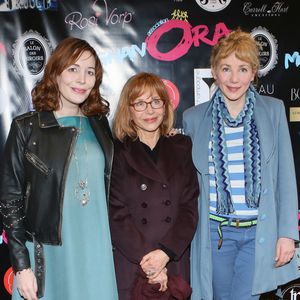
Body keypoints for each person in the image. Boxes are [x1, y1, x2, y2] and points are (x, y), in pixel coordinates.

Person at [183, 29, 299, 300]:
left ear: (254, 72)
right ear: (214, 70)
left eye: (243, 69)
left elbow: (285, 177)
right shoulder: (193, 118)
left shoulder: (274, 110)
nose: (234, 79)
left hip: (260, 232)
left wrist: (286, 234)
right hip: (215, 234)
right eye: (226, 68)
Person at [0, 37, 118, 300]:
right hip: (50, 253)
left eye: (90, 72)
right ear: (55, 72)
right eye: (73, 69)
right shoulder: (26, 128)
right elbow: (10, 199)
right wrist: (22, 265)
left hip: (96, 247)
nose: (82, 79)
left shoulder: (99, 124)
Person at [109, 72, 199, 300]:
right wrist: (151, 264)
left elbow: (189, 208)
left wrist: (165, 254)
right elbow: (115, 214)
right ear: (128, 110)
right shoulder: (116, 152)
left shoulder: (182, 147)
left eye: (156, 102)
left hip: (173, 261)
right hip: (134, 264)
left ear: (165, 105)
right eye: (140, 103)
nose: (149, 110)